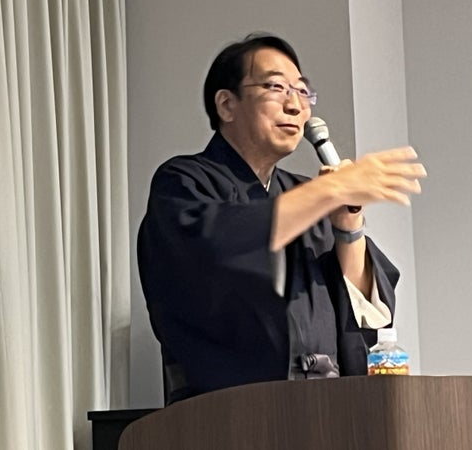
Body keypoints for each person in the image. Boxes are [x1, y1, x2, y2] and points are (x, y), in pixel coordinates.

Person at [137, 33, 426, 404]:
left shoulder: (305, 194)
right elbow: (217, 255)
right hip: (228, 412)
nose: (295, 106)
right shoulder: (183, 182)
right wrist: (329, 191)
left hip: (322, 408)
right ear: (227, 104)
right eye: (275, 87)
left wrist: (348, 228)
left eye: (302, 91)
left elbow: (365, 320)